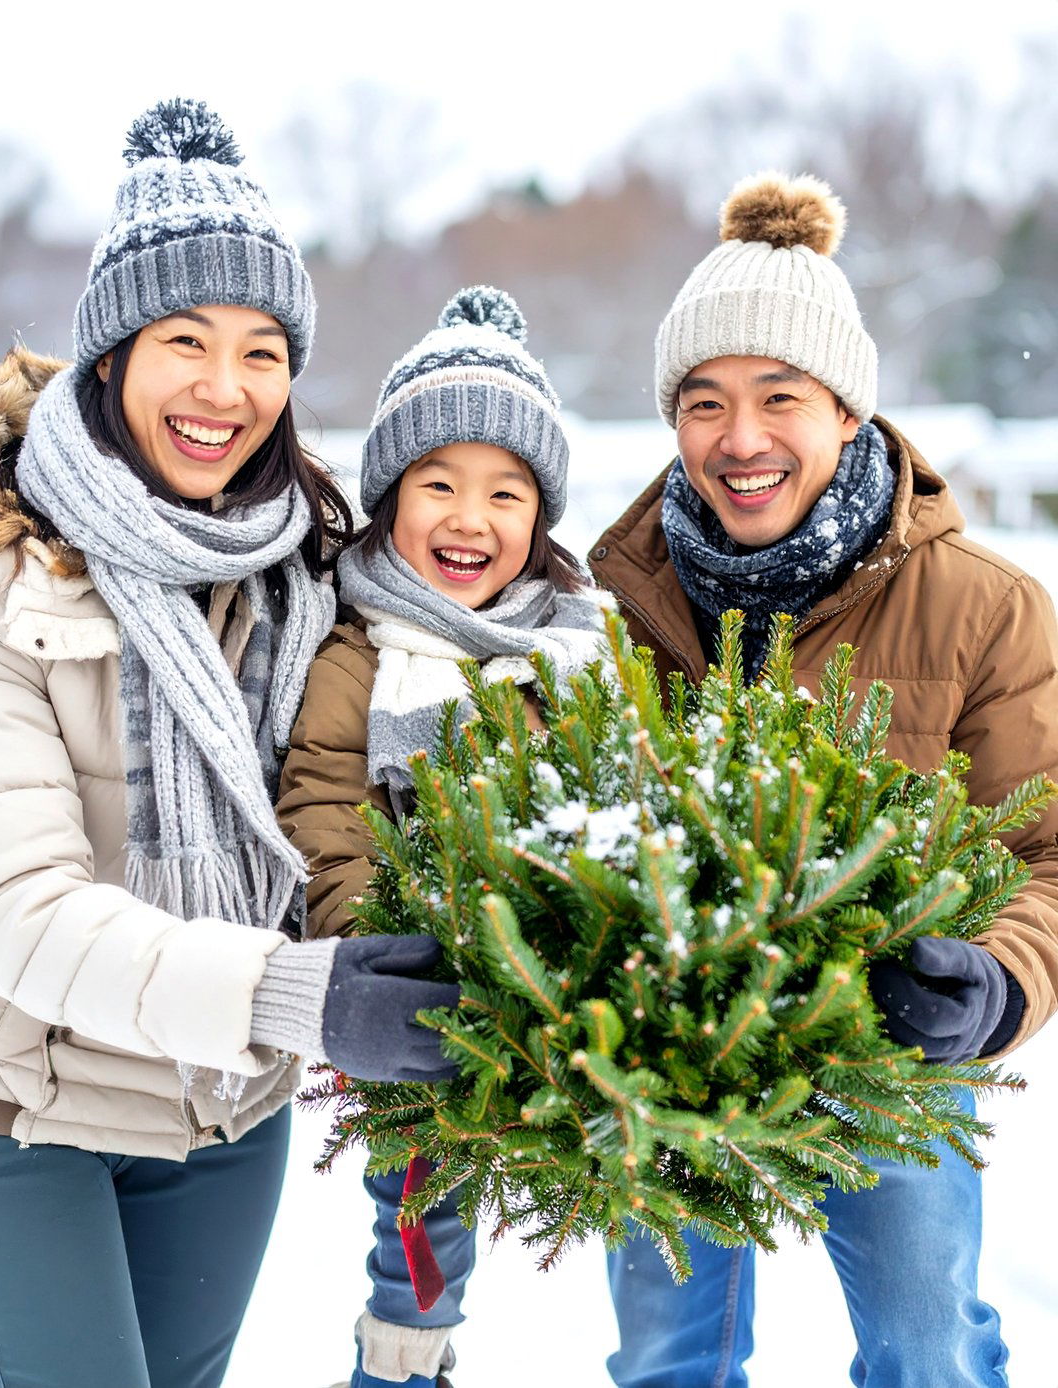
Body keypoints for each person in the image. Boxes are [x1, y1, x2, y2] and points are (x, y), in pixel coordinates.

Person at [0, 99, 457, 1388]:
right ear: (111, 359)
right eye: (185, 339)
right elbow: (14, 910)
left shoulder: (304, 577)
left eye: (262, 349)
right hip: (10, 1106)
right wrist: (300, 993)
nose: (225, 387)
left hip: (218, 1104)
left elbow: (376, 775)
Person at [587, 171, 1058, 1388]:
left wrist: (995, 982)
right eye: (704, 402)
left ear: (847, 411)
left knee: (926, 1346)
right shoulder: (617, 608)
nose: (739, 440)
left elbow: (1048, 848)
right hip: (662, 1047)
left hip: (888, 1049)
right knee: (663, 1358)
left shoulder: (986, 610)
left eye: (779, 396)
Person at [277, 285, 610, 1388]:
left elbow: (625, 786)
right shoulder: (358, 655)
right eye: (440, 484)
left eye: (505, 491)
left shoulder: (571, 645)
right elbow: (326, 818)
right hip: (426, 1003)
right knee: (422, 1228)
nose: (472, 517)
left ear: (540, 514)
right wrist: (381, 949)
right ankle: (400, 1365)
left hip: (568, 996)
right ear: (390, 498)